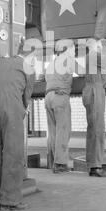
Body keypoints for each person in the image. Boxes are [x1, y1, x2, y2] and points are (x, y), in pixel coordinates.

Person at [0, 48, 35, 211]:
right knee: (13, 154)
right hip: (10, 108)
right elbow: (26, 97)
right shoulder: (28, 67)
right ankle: (9, 201)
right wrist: (23, 110)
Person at [82, 39, 106, 177]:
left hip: (93, 90)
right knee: (98, 129)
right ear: (96, 46)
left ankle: (93, 165)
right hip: (95, 92)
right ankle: (96, 168)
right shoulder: (94, 55)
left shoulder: (91, 57)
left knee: (93, 129)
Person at [45, 40, 75, 174]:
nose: (74, 51)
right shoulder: (68, 59)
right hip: (60, 97)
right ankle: (60, 164)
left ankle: (54, 162)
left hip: (48, 97)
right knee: (63, 130)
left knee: (53, 132)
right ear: (67, 48)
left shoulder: (52, 62)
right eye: (73, 48)